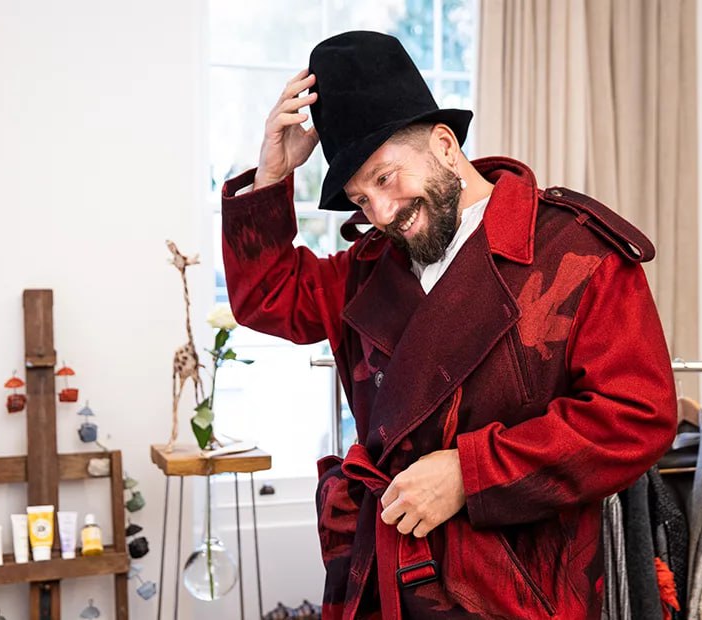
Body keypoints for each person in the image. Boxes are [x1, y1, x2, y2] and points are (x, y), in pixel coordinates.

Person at [220, 31, 676, 620]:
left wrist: (469, 472)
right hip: (384, 583)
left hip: (522, 592)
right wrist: (270, 175)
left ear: (444, 145)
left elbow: (637, 415)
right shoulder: (365, 273)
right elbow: (267, 296)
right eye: (361, 200)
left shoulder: (576, 250)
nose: (382, 213)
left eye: (386, 178)